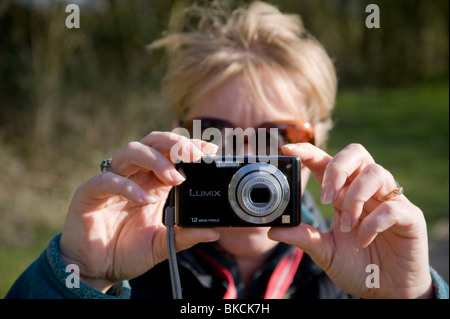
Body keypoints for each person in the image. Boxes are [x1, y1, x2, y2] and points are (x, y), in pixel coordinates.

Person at [6, 1, 448, 299]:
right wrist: (79, 275)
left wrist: (407, 296)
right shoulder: (132, 264)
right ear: (180, 140)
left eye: (277, 135)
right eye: (217, 135)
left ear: (319, 142)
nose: (250, 160)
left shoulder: (359, 266)